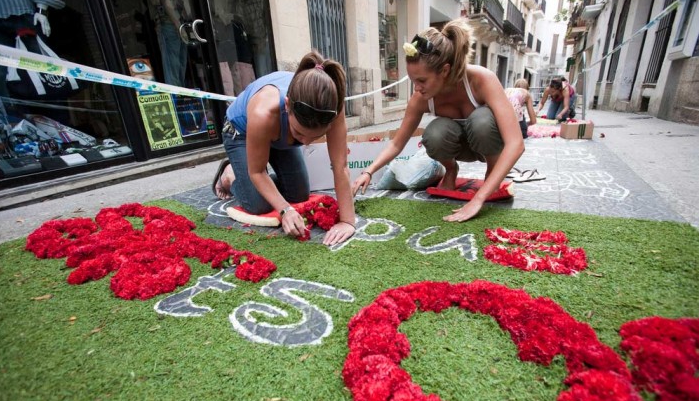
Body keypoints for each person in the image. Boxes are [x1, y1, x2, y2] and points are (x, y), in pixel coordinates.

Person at [351, 19, 524, 222]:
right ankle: (451, 170)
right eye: (413, 81)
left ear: (444, 71)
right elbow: (397, 143)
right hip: (461, 148)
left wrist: (478, 198)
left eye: (422, 81)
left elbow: (516, 143)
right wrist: (368, 172)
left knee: (481, 121)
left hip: (489, 145)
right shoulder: (420, 99)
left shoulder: (481, 79)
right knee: (433, 133)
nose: (416, 88)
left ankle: (492, 174)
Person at [213, 51, 356, 245]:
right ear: (287, 105)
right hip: (241, 132)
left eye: (315, 137)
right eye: (300, 134)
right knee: (258, 204)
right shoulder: (263, 112)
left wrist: (347, 221)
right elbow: (257, 172)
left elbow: (340, 166)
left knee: (298, 194)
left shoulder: (332, 108)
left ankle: (256, 167)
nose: (305, 143)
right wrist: (285, 210)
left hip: (279, 135)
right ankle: (230, 175)